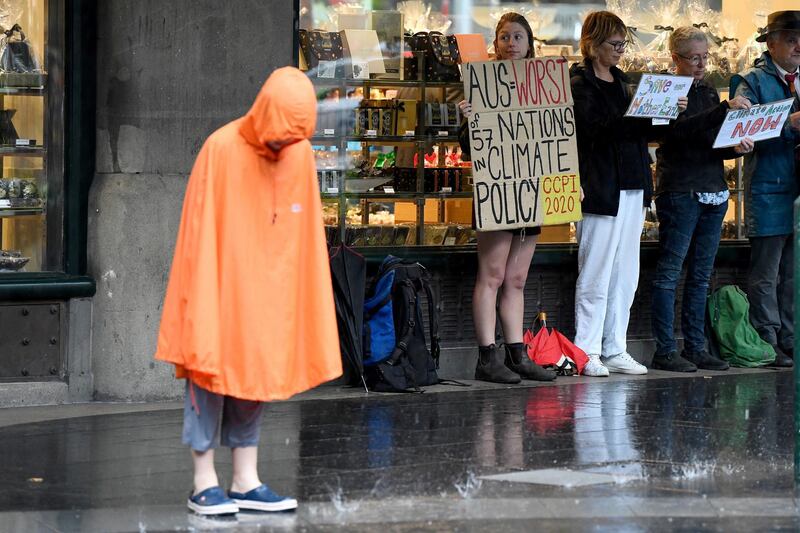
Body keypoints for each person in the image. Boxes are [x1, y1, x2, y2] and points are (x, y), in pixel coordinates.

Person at [155, 67, 342, 515]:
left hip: (267, 288)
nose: (282, 147)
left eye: (292, 139)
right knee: (208, 371)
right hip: (220, 283)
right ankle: (204, 481)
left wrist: (293, 295)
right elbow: (201, 231)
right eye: (279, 138)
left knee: (255, 375)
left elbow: (302, 234)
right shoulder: (221, 148)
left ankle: (245, 478)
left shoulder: (296, 151)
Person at [569, 11, 686, 377]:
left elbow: (638, 132)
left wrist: (665, 113)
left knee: (625, 273)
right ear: (592, 44)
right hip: (600, 187)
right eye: (614, 44)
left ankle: (615, 346)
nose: (620, 51)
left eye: (623, 44)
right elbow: (594, 132)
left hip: (633, 183)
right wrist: (643, 114)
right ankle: (586, 348)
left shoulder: (621, 81)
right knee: (596, 270)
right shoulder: (579, 84)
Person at [458, 12, 556, 384]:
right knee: (493, 274)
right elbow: (468, 146)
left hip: (528, 189)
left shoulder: (545, 87)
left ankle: (517, 353)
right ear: (495, 44)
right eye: (504, 37)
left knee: (516, 278)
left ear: (530, 43)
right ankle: (487, 357)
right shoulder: (479, 85)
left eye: (518, 36)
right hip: (497, 187)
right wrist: (468, 118)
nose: (511, 43)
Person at [650, 26, 755, 373]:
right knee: (669, 273)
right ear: (674, 58)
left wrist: (735, 147)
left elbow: (710, 141)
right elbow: (672, 134)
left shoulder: (708, 91)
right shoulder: (665, 89)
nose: (700, 63)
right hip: (680, 190)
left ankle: (695, 346)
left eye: (704, 57)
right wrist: (723, 109)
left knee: (701, 274)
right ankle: (665, 349)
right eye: (694, 58)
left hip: (713, 189)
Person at [731, 10, 800, 368]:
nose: (798, 46)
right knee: (766, 272)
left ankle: (791, 336)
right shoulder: (750, 80)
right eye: (790, 38)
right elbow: (741, 127)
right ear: (770, 43)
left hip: (796, 191)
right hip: (768, 186)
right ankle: (767, 337)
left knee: (793, 271)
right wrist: (788, 123)